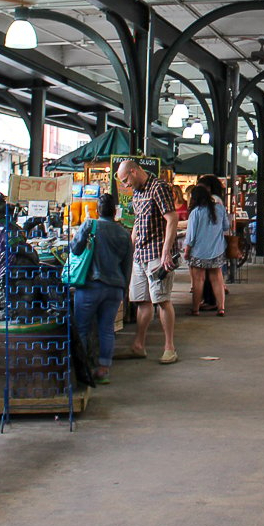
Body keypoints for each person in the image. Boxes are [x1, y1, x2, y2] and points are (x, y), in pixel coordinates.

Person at [115, 159, 179, 365]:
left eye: (126, 180)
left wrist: (166, 252)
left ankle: (169, 347)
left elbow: (172, 219)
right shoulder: (137, 192)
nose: (125, 185)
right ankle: (138, 346)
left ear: (134, 171)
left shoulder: (158, 187)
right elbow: (137, 222)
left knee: (162, 300)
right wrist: (130, 249)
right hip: (140, 255)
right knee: (142, 301)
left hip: (157, 255)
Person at [70, 193, 132, 384]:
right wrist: (125, 291)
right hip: (115, 288)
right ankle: (103, 370)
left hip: (90, 287)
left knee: (81, 327)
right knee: (106, 329)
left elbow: (75, 249)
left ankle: (82, 368)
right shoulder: (124, 234)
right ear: (115, 211)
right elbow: (127, 265)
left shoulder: (90, 225)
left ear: (98, 210)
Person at [184, 183, 230, 317]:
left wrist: (187, 251)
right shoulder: (220, 209)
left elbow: (191, 236)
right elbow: (226, 226)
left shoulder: (196, 212)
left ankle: (195, 309)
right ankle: (221, 308)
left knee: (199, 280)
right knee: (217, 278)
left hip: (199, 252)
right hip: (217, 250)